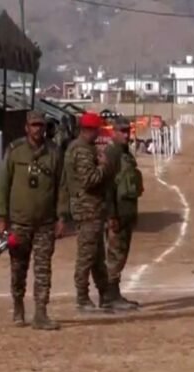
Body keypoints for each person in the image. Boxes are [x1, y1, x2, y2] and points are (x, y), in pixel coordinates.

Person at [0, 111, 66, 330]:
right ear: (26, 127)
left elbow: (62, 187)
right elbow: (3, 184)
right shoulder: (15, 151)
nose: (37, 129)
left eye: (40, 125)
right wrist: (1, 217)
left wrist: (61, 216)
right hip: (19, 222)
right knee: (18, 268)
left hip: (45, 222)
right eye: (34, 125)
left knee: (43, 269)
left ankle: (41, 313)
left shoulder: (54, 152)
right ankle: (18, 306)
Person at [60, 112, 116, 313]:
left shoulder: (82, 148)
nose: (99, 133)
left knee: (97, 255)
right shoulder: (82, 150)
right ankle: (82, 297)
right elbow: (89, 180)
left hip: (92, 209)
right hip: (87, 209)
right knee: (87, 255)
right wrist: (104, 166)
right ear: (89, 130)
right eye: (97, 129)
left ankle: (105, 295)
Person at [103, 118, 144, 310]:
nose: (126, 135)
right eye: (122, 131)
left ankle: (113, 294)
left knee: (121, 254)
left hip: (126, 212)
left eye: (128, 131)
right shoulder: (111, 154)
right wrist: (111, 215)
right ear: (114, 131)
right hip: (117, 213)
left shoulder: (124, 153)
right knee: (115, 255)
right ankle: (110, 296)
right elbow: (107, 187)